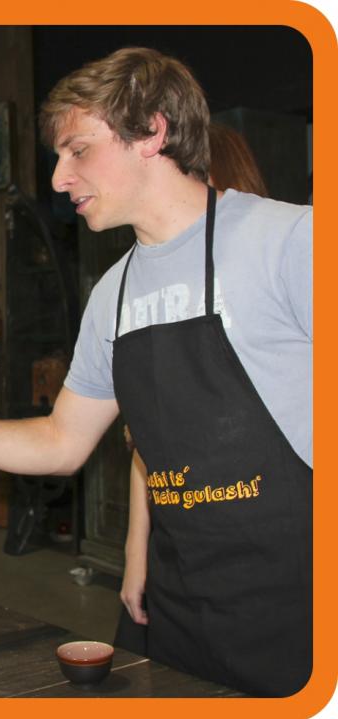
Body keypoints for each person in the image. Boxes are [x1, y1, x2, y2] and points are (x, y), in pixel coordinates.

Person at [0, 48, 312, 696]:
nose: (59, 178)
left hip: (299, 603)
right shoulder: (112, 295)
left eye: (78, 150)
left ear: (151, 131)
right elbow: (59, 441)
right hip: (178, 604)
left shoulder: (290, 244)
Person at [120, 120, 271, 633]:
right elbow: (147, 445)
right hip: (182, 548)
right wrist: (135, 550)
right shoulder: (140, 294)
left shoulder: (274, 271)